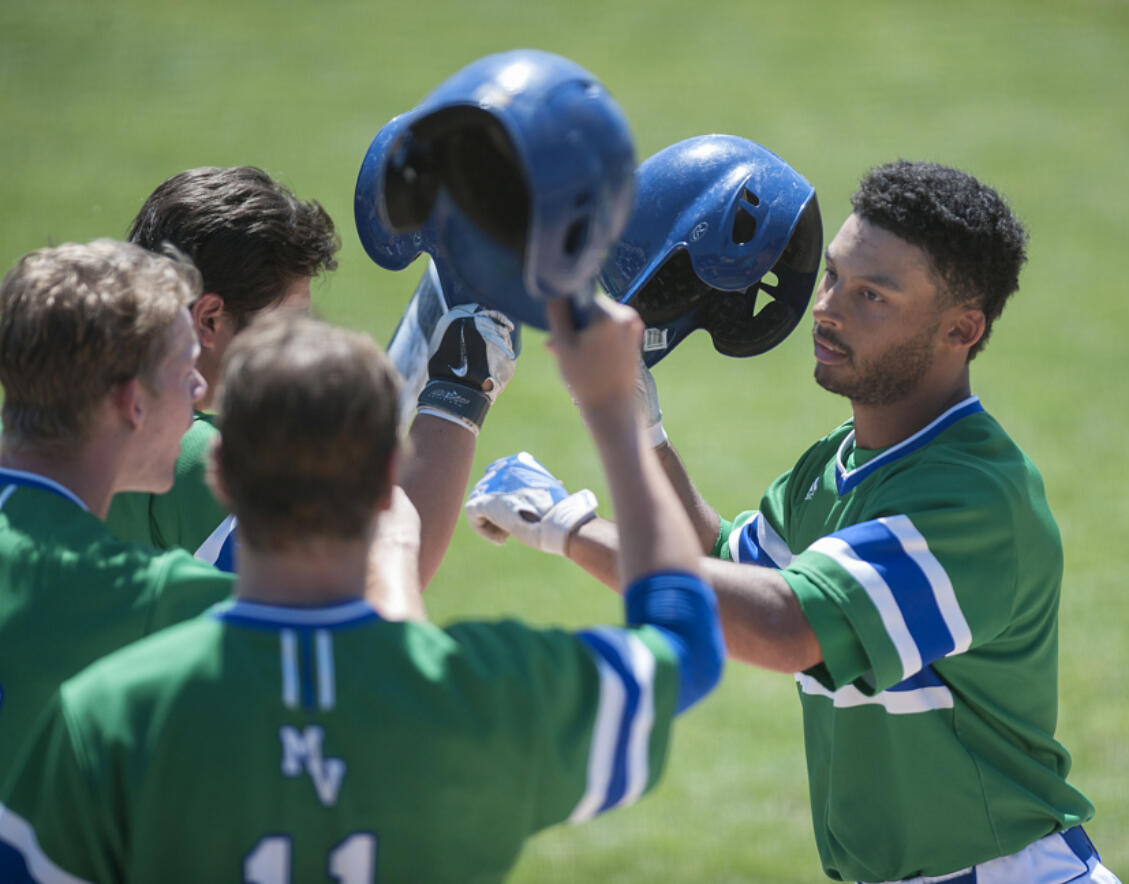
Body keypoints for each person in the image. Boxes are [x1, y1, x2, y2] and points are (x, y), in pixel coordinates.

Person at [465, 161, 1119, 883]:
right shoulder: (833, 466)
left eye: (873, 295)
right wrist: (644, 423)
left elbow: (782, 628)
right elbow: (723, 569)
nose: (829, 308)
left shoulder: (974, 499)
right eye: (835, 276)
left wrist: (564, 525)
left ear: (961, 328)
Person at [0, 304, 724, 883]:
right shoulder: (487, 694)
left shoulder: (110, 714)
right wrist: (615, 416)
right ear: (389, 479)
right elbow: (686, 646)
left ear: (219, 471)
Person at [0, 239, 235, 771]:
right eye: (185, 372)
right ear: (132, 403)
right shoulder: (138, 595)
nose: (200, 389)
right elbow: (349, 645)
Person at [104, 165, 340, 556]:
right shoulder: (198, 456)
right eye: (287, 327)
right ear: (209, 320)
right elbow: (365, 592)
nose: (299, 349)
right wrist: (455, 396)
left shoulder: (56, 410)